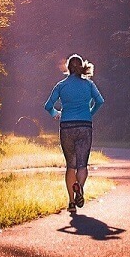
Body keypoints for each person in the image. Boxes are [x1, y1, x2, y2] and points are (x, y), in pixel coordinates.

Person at [44, 54, 105, 215]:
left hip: (66, 126)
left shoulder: (61, 85)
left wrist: (55, 113)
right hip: (85, 125)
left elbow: (48, 105)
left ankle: (71, 203)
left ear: (68, 68)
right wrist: (90, 113)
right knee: (82, 165)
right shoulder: (89, 85)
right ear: (81, 67)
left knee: (70, 166)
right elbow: (100, 101)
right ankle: (80, 188)